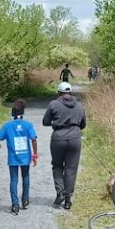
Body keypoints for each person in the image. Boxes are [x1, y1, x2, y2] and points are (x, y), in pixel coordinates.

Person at [42, 81, 86, 210]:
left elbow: (45, 122)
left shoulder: (53, 104)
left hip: (58, 139)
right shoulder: (79, 105)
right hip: (75, 138)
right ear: (70, 92)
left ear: (59, 92)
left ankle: (59, 192)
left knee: (57, 166)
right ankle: (68, 199)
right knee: (71, 169)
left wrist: (58, 122)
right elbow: (83, 124)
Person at [0, 99, 39, 215]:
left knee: (14, 179)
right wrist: (34, 154)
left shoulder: (7, 126)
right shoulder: (28, 125)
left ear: (12, 113)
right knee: (26, 176)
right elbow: (33, 139)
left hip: (13, 157)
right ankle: (25, 199)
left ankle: (15, 204)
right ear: (23, 113)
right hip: (25, 157)